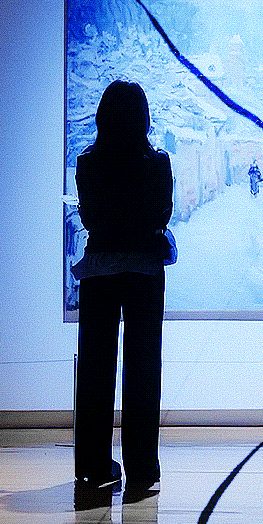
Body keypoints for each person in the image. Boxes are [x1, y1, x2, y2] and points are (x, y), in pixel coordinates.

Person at [72, 80, 173, 493]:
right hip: (145, 272)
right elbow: (162, 214)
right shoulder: (158, 164)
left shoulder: (87, 164)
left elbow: (90, 219)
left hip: (99, 270)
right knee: (143, 368)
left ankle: (93, 464)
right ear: (143, 118)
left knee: (95, 369)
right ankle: (143, 467)